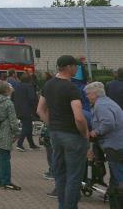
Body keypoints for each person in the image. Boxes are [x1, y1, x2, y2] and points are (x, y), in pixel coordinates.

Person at [38, 55, 90, 209]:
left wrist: (52, 125)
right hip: (73, 136)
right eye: (75, 66)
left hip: (55, 134)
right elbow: (79, 117)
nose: (76, 69)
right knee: (74, 176)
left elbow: (40, 110)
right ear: (69, 67)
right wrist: (85, 133)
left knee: (60, 174)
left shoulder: (48, 85)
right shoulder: (71, 88)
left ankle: (62, 205)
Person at [85, 81, 123, 208]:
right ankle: (114, 202)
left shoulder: (101, 105)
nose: (87, 96)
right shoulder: (108, 102)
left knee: (118, 177)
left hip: (115, 145)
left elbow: (108, 122)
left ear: (95, 94)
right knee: (115, 177)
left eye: (88, 94)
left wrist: (96, 131)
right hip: (118, 143)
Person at [13, 72, 39, 151]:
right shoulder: (29, 86)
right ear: (29, 79)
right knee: (26, 127)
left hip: (18, 109)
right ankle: (19, 144)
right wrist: (36, 108)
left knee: (29, 126)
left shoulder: (17, 86)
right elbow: (32, 99)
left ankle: (31, 144)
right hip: (27, 109)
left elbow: (13, 96)